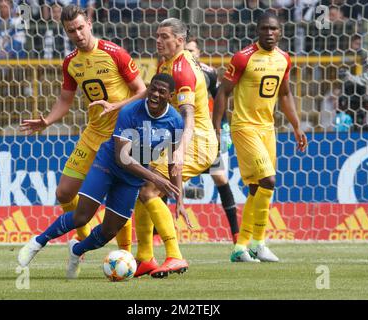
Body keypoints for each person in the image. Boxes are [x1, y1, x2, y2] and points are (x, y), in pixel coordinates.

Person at [18, 74, 185, 279]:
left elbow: (174, 161)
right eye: (153, 89)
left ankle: (76, 251)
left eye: (162, 91)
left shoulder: (175, 121)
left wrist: (180, 199)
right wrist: (155, 177)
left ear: (171, 95)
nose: (155, 95)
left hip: (132, 179)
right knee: (81, 216)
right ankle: (37, 242)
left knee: (108, 232)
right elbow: (122, 157)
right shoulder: (131, 111)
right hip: (109, 165)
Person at [19, 4, 146, 250]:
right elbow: (65, 100)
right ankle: (81, 236)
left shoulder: (114, 52)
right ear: (65, 32)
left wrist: (116, 105)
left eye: (80, 28)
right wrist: (47, 120)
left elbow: (142, 91)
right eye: (71, 31)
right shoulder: (70, 63)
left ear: (88, 23)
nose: (77, 34)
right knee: (64, 193)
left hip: (120, 136)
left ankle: (125, 254)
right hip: (93, 133)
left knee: (115, 200)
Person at [213, 12, 307, 263]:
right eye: (264, 28)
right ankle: (258, 242)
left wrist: (296, 126)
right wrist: (216, 128)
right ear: (257, 30)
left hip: (268, 128)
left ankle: (241, 247)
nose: (269, 32)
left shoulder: (284, 59)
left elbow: (285, 94)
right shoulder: (243, 58)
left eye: (273, 29)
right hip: (244, 126)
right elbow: (223, 92)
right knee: (269, 180)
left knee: (257, 187)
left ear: (280, 32)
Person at [130, 18, 218, 278]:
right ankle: (145, 258)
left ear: (180, 40)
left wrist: (179, 150)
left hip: (197, 140)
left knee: (149, 188)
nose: (158, 40)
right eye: (157, 35)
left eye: (165, 36)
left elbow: (188, 115)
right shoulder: (166, 64)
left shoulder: (182, 70)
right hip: (179, 139)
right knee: (142, 190)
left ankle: (175, 255)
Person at [185, 37, 240, 244]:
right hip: (183, 135)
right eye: (185, 50)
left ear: (199, 52)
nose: (189, 53)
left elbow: (221, 99)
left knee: (219, 177)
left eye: (192, 50)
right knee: (167, 180)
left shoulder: (208, 73)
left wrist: (222, 129)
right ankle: (156, 235)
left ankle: (236, 234)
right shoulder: (174, 70)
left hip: (205, 135)